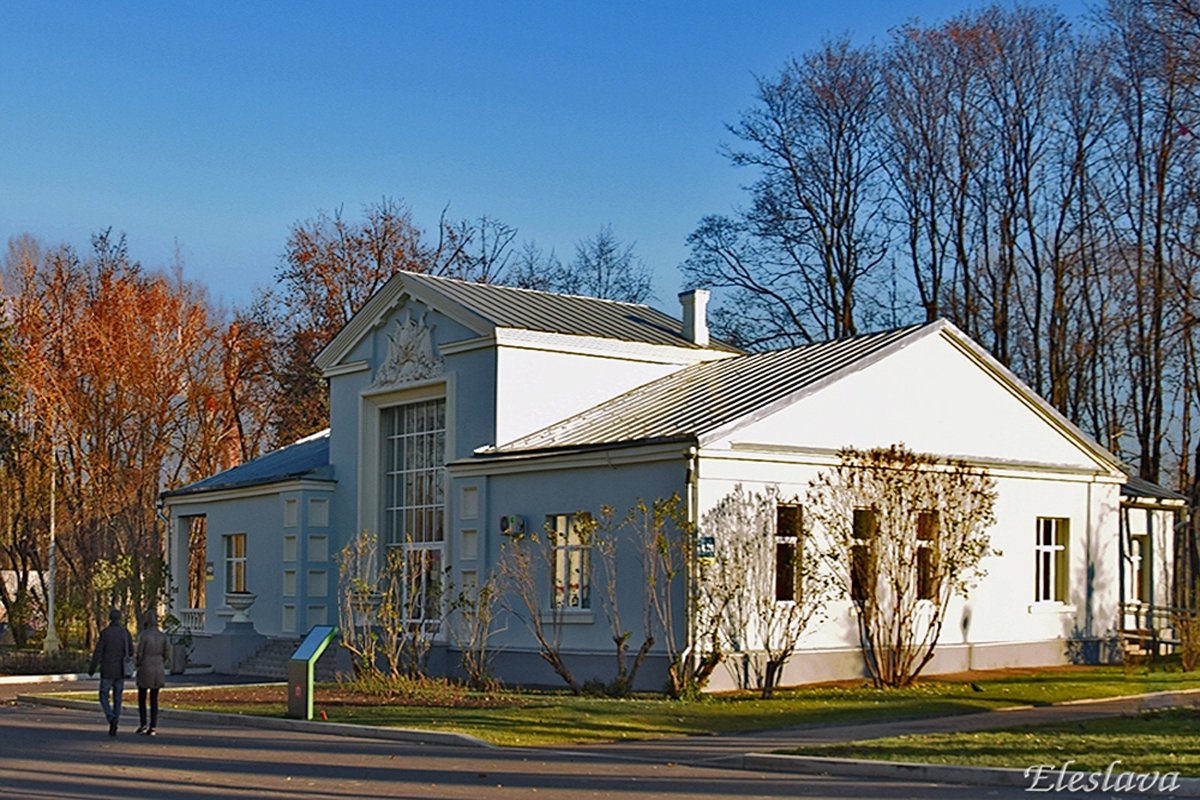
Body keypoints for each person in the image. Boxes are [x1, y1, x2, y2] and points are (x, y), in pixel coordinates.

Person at [88, 608, 133, 737]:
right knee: (117, 697)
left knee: (103, 695)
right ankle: (115, 719)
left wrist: (92, 668)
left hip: (107, 670)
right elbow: (130, 651)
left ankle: (110, 716)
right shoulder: (125, 633)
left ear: (110, 619)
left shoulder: (105, 633)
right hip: (121, 670)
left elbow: (98, 651)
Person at [134, 610, 170, 735]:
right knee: (154, 699)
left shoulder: (143, 635)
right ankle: (153, 725)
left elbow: (139, 653)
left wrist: (137, 664)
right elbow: (167, 653)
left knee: (142, 697)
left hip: (145, 667)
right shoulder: (162, 636)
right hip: (158, 668)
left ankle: (143, 723)